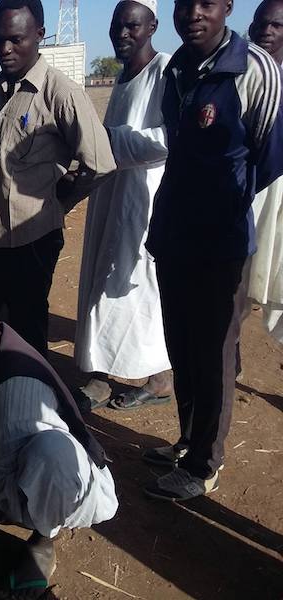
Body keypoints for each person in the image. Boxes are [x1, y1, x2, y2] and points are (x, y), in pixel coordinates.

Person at [143, 0, 283, 501]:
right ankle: (187, 440)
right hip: (174, 232)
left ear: (227, 7)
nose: (193, 13)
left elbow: (267, 160)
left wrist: (223, 206)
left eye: (207, 3)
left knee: (215, 351)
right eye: (185, 4)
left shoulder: (255, 69)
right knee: (180, 344)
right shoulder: (177, 67)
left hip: (222, 242)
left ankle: (205, 464)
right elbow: (176, 144)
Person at [0, 286, 118, 595]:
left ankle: (43, 542)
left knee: (52, 455)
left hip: (60, 484)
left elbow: (4, 476)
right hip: (1, 452)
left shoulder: (16, 388)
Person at [0, 0, 117, 357]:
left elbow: (99, 162)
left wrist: (61, 200)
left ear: (39, 35)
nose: (5, 49)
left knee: (27, 326)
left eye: (16, 39)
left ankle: (32, 396)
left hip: (32, 238)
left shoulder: (60, 92)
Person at [74, 0, 173, 412]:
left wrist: (109, 139)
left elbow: (167, 140)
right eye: (117, 27)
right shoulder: (123, 78)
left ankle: (161, 378)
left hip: (144, 200)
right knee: (101, 279)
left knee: (139, 291)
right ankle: (98, 375)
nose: (122, 34)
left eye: (132, 26)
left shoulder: (165, 71)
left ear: (152, 26)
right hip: (111, 196)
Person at [248, 0, 283, 344]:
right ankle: (234, 358)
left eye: (276, 25)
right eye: (261, 23)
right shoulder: (237, 76)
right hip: (246, 195)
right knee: (236, 287)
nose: (266, 31)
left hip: (279, 197)